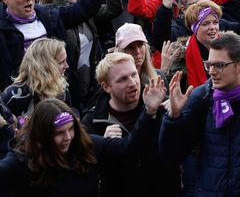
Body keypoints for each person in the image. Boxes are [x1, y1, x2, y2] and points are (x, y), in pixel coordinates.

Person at [159, 32, 240, 196]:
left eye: (220, 65)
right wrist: (173, 117)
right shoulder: (201, 97)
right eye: (209, 65)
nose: (212, 72)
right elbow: (170, 157)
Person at [0, 80, 166, 196]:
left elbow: (129, 148)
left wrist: (149, 112)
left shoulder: (86, 146)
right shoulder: (20, 162)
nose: (67, 137)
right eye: (59, 133)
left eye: (71, 129)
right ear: (42, 134)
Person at [81, 53, 179, 196]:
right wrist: (103, 146)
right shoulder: (92, 121)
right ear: (106, 86)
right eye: (122, 79)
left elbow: (181, 151)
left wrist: (178, 117)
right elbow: (86, 171)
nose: (132, 83)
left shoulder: (163, 105)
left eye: (134, 74)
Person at [0, 38, 70, 122]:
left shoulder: (61, 87)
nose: (67, 66)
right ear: (44, 66)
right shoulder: (14, 95)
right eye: (61, 62)